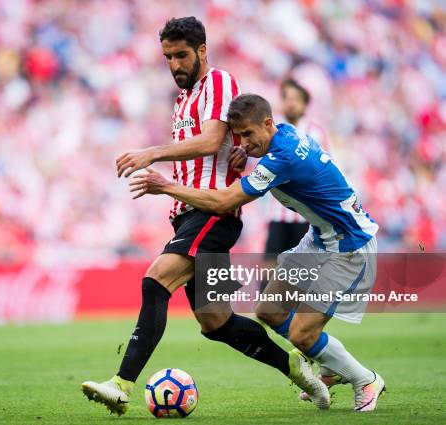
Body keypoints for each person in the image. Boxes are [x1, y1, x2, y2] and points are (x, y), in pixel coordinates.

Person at [81, 18, 329, 416]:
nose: (175, 64)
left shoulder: (219, 83)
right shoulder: (183, 99)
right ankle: (295, 368)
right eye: (168, 57)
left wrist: (151, 153)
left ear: (201, 50)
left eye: (181, 55)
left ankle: (121, 384)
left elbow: (215, 140)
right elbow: (223, 147)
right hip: (187, 214)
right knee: (217, 323)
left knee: (156, 278)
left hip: (213, 210)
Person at [130, 93, 386, 412]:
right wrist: (247, 153)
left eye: (249, 135)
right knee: (269, 309)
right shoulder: (286, 134)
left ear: (267, 124)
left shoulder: (283, 158)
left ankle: (366, 379)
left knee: (302, 335)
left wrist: (166, 186)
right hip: (321, 239)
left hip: (349, 247)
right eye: (239, 137)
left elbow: (224, 202)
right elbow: (270, 156)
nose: (245, 143)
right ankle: (331, 363)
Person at [262, 79, 329, 290]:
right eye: (287, 98)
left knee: (300, 270)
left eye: (295, 99)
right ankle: (264, 310)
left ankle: (297, 315)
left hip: (304, 215)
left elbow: (324, 168)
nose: (290, 103)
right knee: (269, 265)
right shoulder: (273, 129)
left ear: (304, 104)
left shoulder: (316, 131)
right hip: (278, 214)